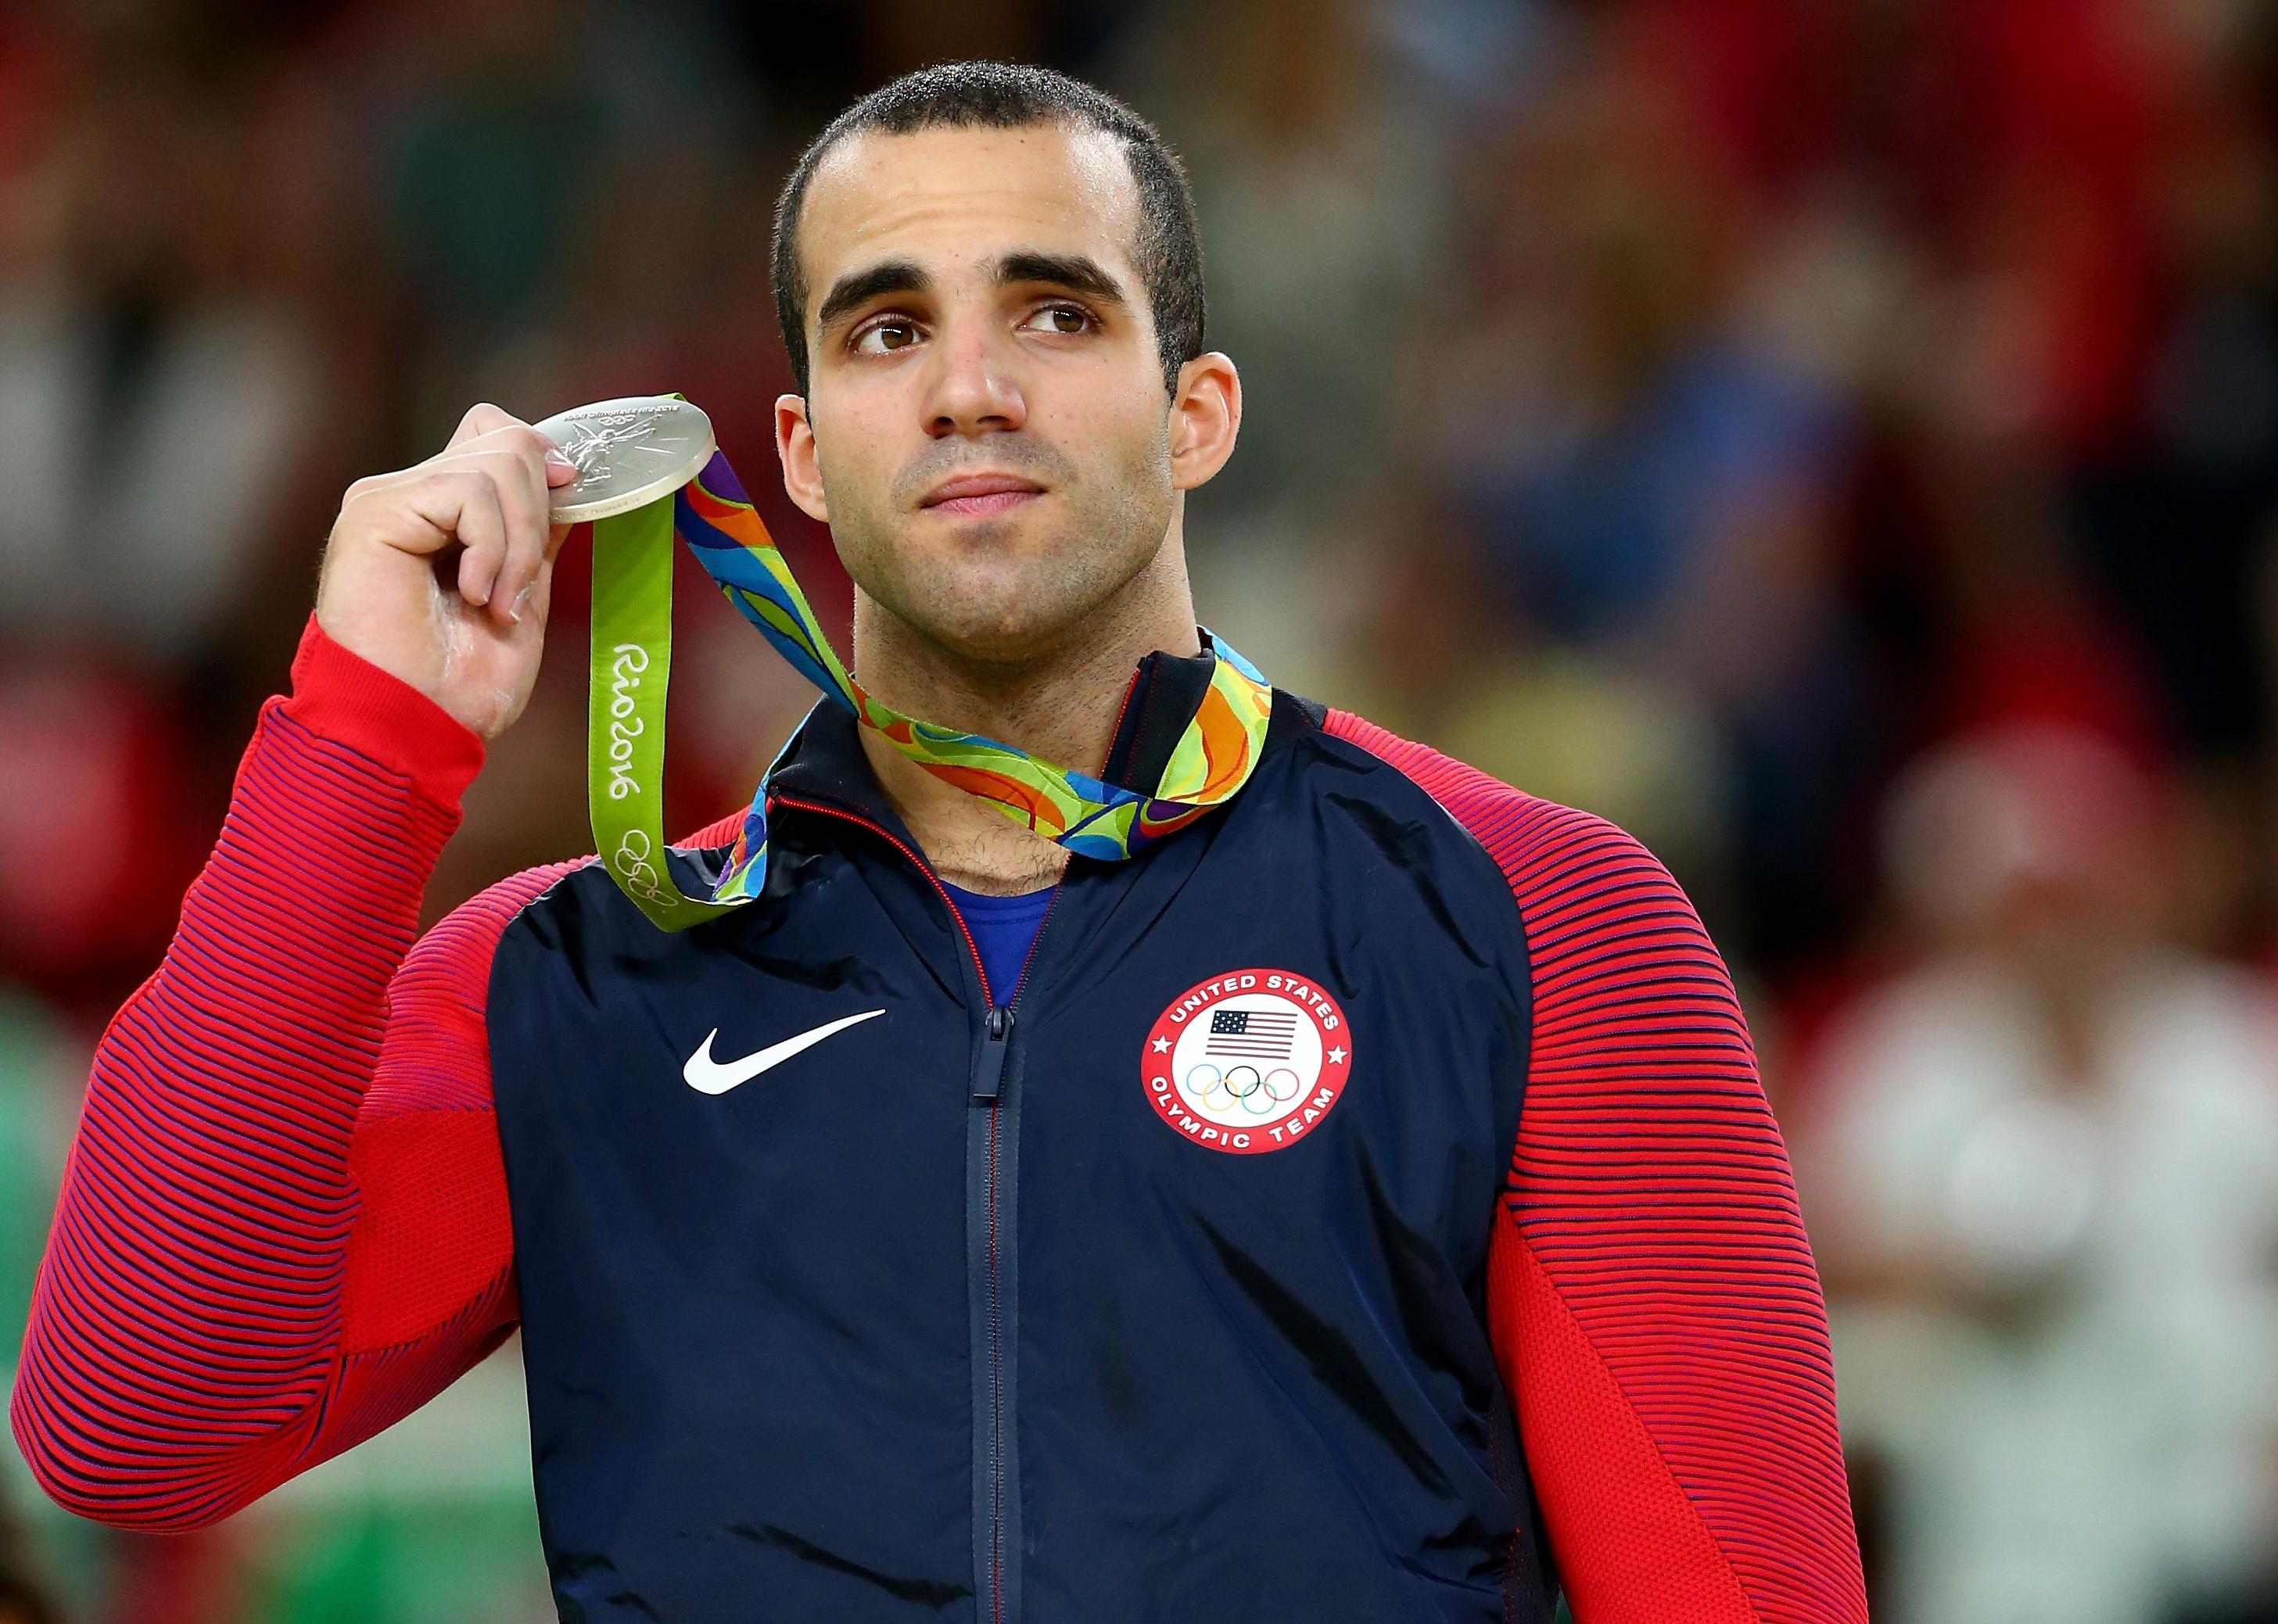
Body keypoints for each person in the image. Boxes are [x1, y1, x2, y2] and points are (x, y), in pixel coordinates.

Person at [9, 62, 1865, 1622]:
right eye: (890, 325)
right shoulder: (580, 975)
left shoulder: (1525, 913)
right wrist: (362, 740)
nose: (971, 383)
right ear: (805, 453)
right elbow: (130, 1423)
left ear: (1195, 412)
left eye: (1056, 312)